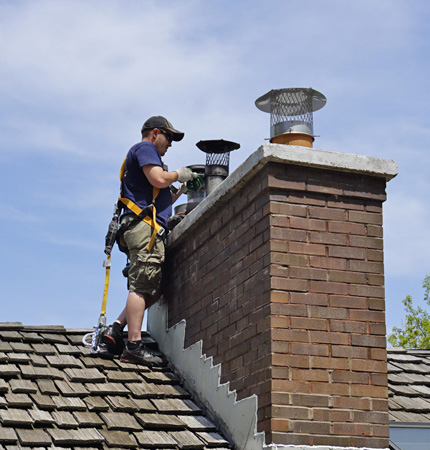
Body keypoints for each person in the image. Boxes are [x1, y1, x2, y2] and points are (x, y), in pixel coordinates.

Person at [102, 116, 195, 366]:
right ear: (155, 133)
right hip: (143, 229)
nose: (171, 144)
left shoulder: (147, 155)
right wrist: (178, 174)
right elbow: (158, 179)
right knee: (142, 288)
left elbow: (157, 198)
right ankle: (133, 346)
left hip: (145, 227)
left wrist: (180, 191)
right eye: (169, 138)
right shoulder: (145, 148)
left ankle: (116, 330)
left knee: (152, 289)